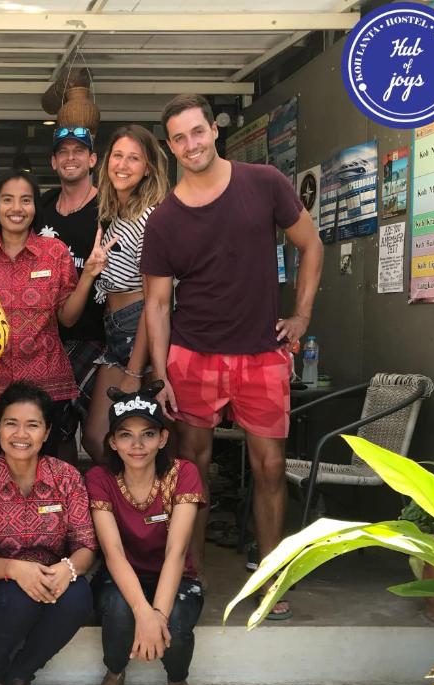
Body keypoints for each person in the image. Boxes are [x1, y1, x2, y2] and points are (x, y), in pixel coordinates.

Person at [142, 94, 324, 617]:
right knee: (191, 469)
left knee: (269, 467)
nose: (190, 144)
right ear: (170, 146)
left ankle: (270, 579)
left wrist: (302, 316)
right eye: (179, 138)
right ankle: (190, 578)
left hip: (261, 354)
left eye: (197, 132)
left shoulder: (264, 182)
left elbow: (310, 245)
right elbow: (156, 305)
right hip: (192, 355)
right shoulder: (166, 219)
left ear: (214, 131)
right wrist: (161, 375)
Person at [0, 382, 96, 685]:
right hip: (0, 578)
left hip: (55, 573)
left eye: (32, 425)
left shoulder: (66, 477)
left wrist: (67, 569)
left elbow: (85, 545)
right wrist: (16, 570)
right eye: (11, 423)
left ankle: (20, 675)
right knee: (17, 598)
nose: (20, 434)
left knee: (79, 599)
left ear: (47, 431)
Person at [0, 168, 111, 468]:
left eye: (26, 200)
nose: (17, 208)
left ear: (35, 207)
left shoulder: (54, 253)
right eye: (8, 200)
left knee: (44, 472)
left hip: (45, 384)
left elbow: (67, 319)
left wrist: (89, 275)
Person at [84, 384, 205, 685]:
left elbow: (177, 552)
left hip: (176, 575)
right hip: (123, 573)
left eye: (147, 434)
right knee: (119, 610)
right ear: (112, 441)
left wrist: (158, 618)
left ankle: (178, 681)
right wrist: (143, 612)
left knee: (179, 621)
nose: (137, 445)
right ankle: (114, 675)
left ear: (163, 438)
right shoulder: (100, 478)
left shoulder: (184, 474)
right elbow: (113, 553)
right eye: (126, 435)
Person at [81, 125, 170, 464]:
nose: (123, 164)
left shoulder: (150, 218)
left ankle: (145, 512)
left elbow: (155, 301)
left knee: (136, 443)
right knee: (97, 437)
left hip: (138, 329)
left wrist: (135, 371)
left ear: (148, 168)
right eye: (117, 155)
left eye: (134, 158)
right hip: (116, 330)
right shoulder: (118, 214)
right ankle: (126, 509)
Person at [36, 126, 105, 458]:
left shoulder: (108, 207)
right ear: (53, 161)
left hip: (98, 336)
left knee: (100, 437)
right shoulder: (43, 207)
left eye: (79, 151)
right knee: (56, 433)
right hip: (49, 339)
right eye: (63, 151)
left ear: (92, 159)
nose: (70, 157)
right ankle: (67, 506)